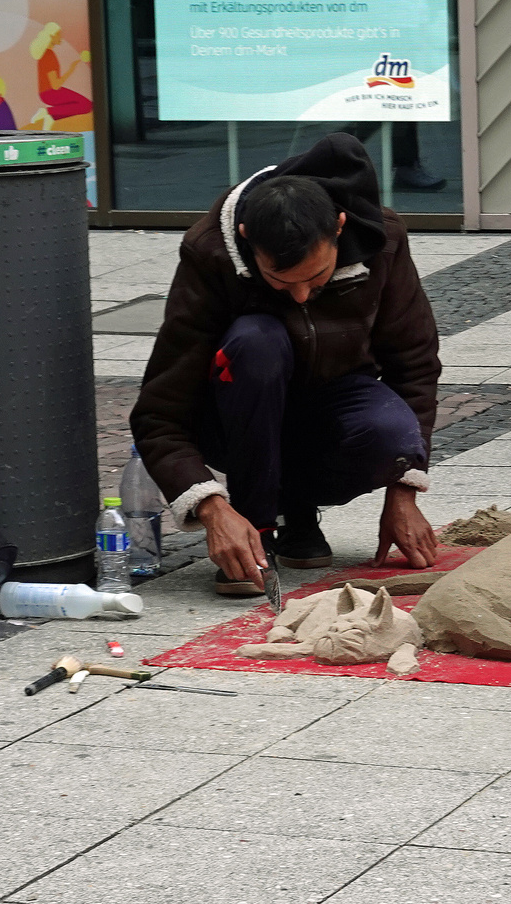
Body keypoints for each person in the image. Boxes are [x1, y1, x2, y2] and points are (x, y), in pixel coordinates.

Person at [131, 133, 442, 596]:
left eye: (316, 278)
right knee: (256, 342)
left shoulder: (384, 240)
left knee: (390, 437)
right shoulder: (208, 251)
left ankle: (296, 508)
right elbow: (159, 412)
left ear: (339, 226)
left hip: (336, 402)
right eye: (280, 280)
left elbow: (414, 365)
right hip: (235, 414)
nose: (300, 294)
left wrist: (403, 490)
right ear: (246, 239)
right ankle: (257, 531)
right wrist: (213, 509)